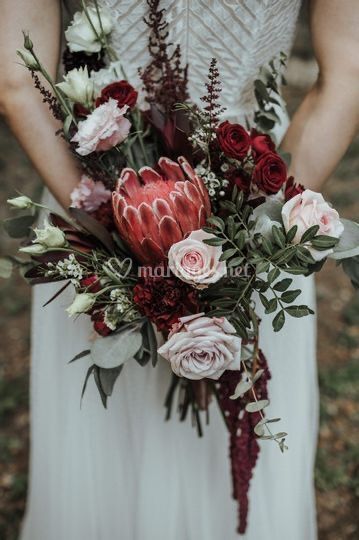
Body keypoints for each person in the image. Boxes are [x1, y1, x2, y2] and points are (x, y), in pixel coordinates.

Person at [0, 1, 358, 539]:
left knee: (109, 446)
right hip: (247, 184)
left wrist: (103, 215)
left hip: (112, 183)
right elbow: (349, 71)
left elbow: (16, 81)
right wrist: (260, 234)